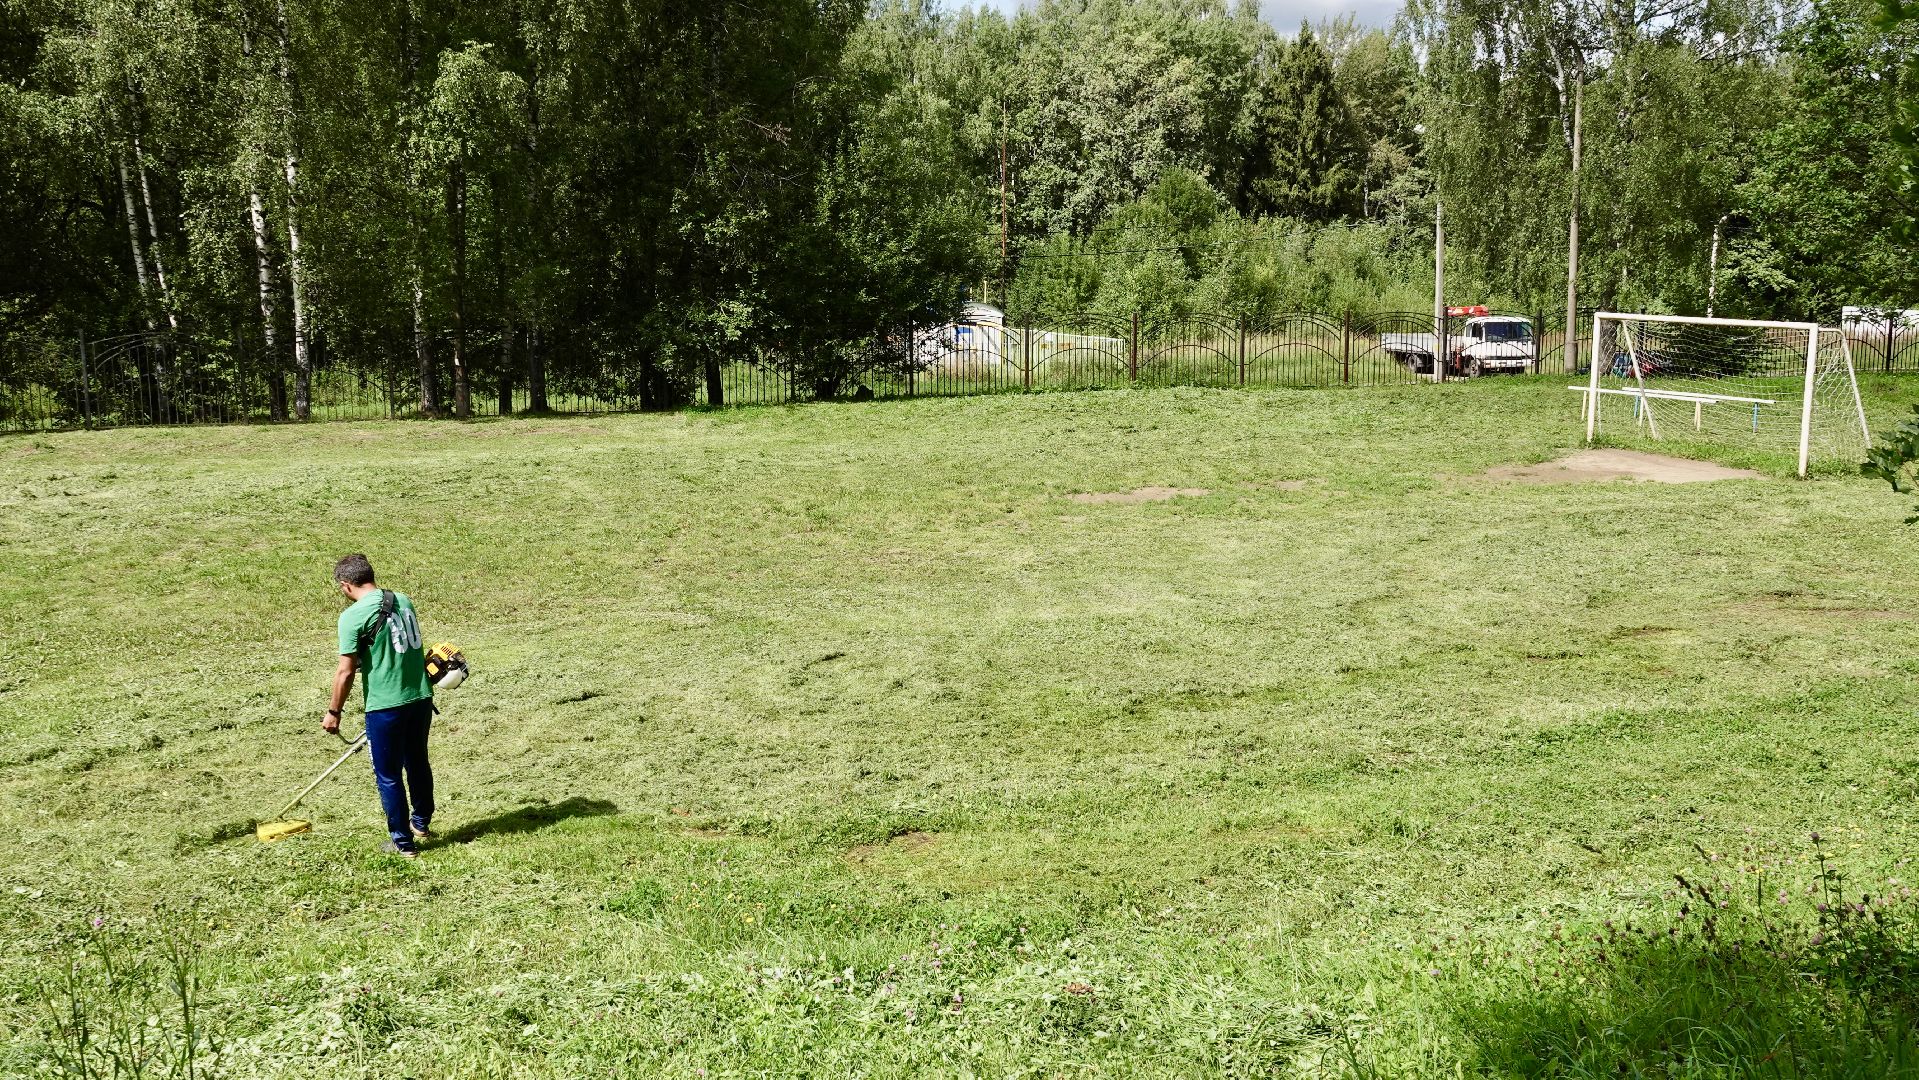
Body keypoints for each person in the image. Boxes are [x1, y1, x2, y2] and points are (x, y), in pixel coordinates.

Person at [325, 553, 436, 858]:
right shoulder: (403, 600)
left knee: (388, 775)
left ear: (346, 585)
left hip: (386, 705)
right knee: (417, 761)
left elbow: (345, 671)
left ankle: (402, 842)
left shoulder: (352, 616)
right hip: (420, 697)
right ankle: (421, 822)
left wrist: (334, 712)